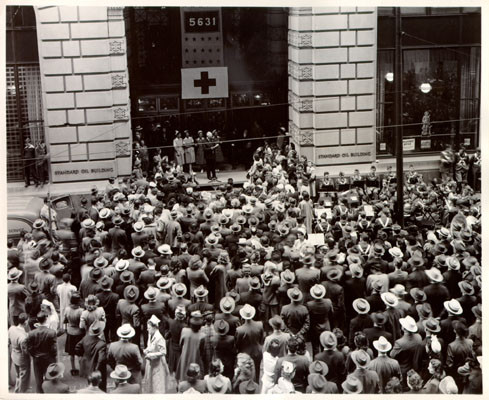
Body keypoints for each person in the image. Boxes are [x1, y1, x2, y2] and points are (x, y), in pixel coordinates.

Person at [25, 311, 58, 393]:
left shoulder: (31, 333)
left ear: (37, 320)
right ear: (46, 319)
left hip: (37, 359)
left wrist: (34, 355)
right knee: (50, 380)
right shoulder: (51, 332)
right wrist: (53, 357)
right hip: (49, 358)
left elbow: (28, 347)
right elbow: (54, 348)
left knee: (38, 381)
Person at [75, 320, 108, 391]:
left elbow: (77, 347)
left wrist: (83, 356)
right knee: (101, 388)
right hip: (97, 368)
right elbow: (101, 359)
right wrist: (97, 370)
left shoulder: (86, 338)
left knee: (90, 384)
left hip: (87, 365)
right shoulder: (102, 344)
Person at [142, 315, 170, 393]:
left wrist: (152, 355)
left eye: (149, 328)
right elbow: (149, 345)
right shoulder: (150, 334)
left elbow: (163, 352)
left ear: (154, 328)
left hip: (158, 364)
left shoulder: (159, 338)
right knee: (149, 382)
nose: (147, 330)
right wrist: (147, 350)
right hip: (150, 363)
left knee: (157, 384)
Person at [8, 313, 31, 393]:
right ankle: (21, 393)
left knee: (18, 375)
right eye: (27, 320)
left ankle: (16, 390)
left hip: (14, 355)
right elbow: (25, 351)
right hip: (22, 359)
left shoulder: (11, 328)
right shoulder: (23, 337)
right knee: (23, 377)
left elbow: (9, 341)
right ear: (25, 322)